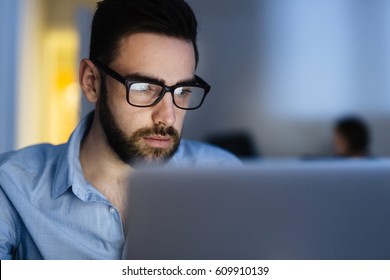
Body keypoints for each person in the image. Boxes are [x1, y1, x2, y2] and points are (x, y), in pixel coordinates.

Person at [0, 0, 240, 260]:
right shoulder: (12, 186)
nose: (168, 117)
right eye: (143, 87)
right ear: (92, 82)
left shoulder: (226, 178)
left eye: (182, 91)